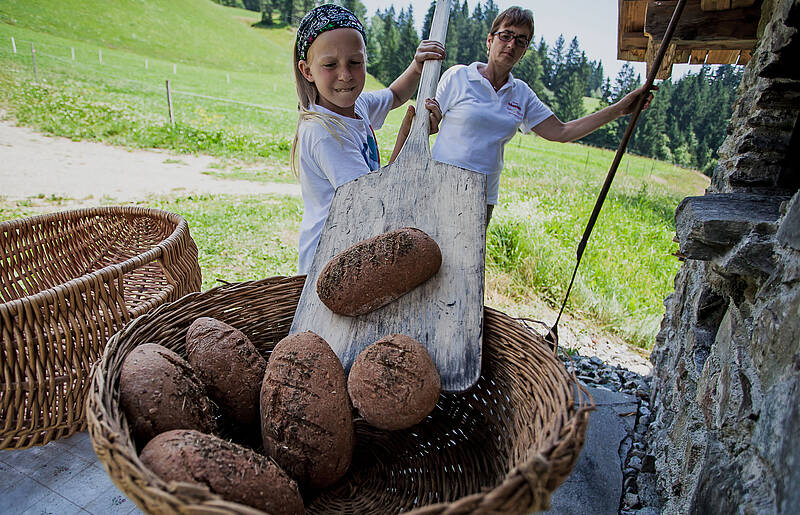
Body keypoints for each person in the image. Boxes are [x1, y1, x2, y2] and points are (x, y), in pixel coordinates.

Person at [431, 6, 655, 224]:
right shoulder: (458, 76)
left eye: (521, 41)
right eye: (506, 35)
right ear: (490, 40)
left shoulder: (521, 94)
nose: (511, 44)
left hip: (481, 197)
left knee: (465, 262)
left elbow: (562, 131)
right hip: (439, 184)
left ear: (525, 51)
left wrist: (619, 108)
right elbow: (427, 122)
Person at [291, 4, 444, 274]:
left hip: (355, 247)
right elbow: (375, 204)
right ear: (307, 70)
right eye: (330, 64)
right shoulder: (324, 133)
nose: (345, 75)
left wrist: (417, 67)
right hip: (328, 264)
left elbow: (396, 96)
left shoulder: (357, 106)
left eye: (355, 62)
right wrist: (409, 139)